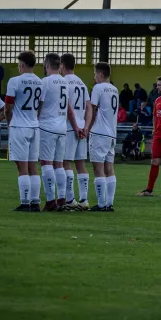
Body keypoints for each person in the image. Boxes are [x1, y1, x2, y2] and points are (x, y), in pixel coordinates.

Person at [5, 51, 44, 212]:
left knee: (22, 167)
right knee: (33, 166)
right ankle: (35, 202)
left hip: (19, 127)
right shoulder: (40, 82)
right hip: (35, 126)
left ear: (21, 65)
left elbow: (8, 107)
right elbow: (40, 105)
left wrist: (9, 122)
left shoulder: (14, 81)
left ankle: (25, 202)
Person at [37, 53, 69, 212]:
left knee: (46, 163)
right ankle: (61, 198)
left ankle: (50, 200)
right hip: (62, 126)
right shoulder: (64, 81)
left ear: (47, 65)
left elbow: (39, 104)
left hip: (47, 126)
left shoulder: (45, 82)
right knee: (59, 164)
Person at [60, 53, 91, 211]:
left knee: (66, 162)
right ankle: (84, 200)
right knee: (80, 164)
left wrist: (75, 126)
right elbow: (89, 106)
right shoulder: (81, 83)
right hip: (81, 126)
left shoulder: (63, 82)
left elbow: (66, 106)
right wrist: (86, 126)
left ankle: (70, 198)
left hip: (70, 127)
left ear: (62, 65)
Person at [87, 62, 119, 212]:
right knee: (109, 169)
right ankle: (109, 203)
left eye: (95, 74)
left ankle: (101, 204)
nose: (94, 77)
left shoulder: (98, 88)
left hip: (99, 133)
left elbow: (91, 110)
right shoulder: (115, 89)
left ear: (100, 74)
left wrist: (87, 128)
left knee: (98, 169)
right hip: (112, 133)